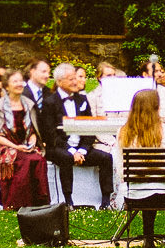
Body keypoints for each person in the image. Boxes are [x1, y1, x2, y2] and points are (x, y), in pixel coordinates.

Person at [116, 88, 165, 248]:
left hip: (135, 195)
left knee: (148, 191)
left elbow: (120, 169)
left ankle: (148, 238)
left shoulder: (123, 131)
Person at [0, 69, 49, 210]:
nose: (20, 84)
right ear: (7, 86)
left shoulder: (28, 105)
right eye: (15, 81)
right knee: (24, 160)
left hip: (24, 145)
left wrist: (31, 142)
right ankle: (17, 203)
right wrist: (16, 147)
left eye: (21, 81)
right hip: (4, 146)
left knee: (38, 159)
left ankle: (40, 202)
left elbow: (32, 130)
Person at [41, 62, 115, 208]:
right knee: (66, 158)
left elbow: (90, 128)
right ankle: (68, 201)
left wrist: (82, 150)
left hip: (80, 147)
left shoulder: (81, 99)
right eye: (71, 79)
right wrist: (71, 151)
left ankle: (106, 200)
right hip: (58, 146)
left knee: (106, 157)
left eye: (76, 78)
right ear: (59, 81)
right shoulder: (49, 102)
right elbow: (50, 135)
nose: (76, 82)